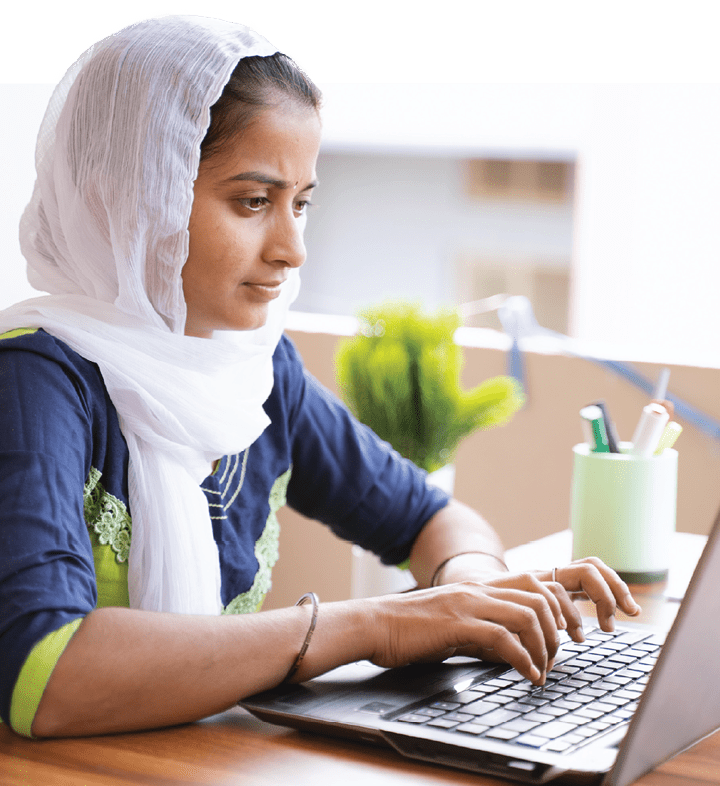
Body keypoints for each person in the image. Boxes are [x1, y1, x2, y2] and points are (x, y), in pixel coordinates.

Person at [0, 12, 640, 740]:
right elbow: (44, 677)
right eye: (252, 201)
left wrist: (471, 598)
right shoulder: (35, 377)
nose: (293, 248)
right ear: (115, 199)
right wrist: (375, 625)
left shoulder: (257, 371)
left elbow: (433, 519)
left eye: (300, 203)